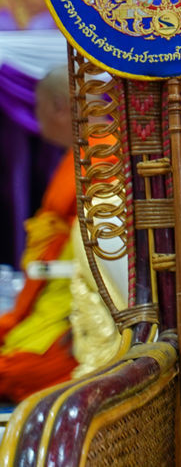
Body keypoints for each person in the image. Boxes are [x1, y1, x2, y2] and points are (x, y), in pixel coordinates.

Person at [0, 66, 78, 402]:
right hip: (50, 303)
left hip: (74, 319)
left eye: (38, 107)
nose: (35, 118)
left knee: (15, 372)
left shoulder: (104, 159)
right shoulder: (77, 158)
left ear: (60, 106)